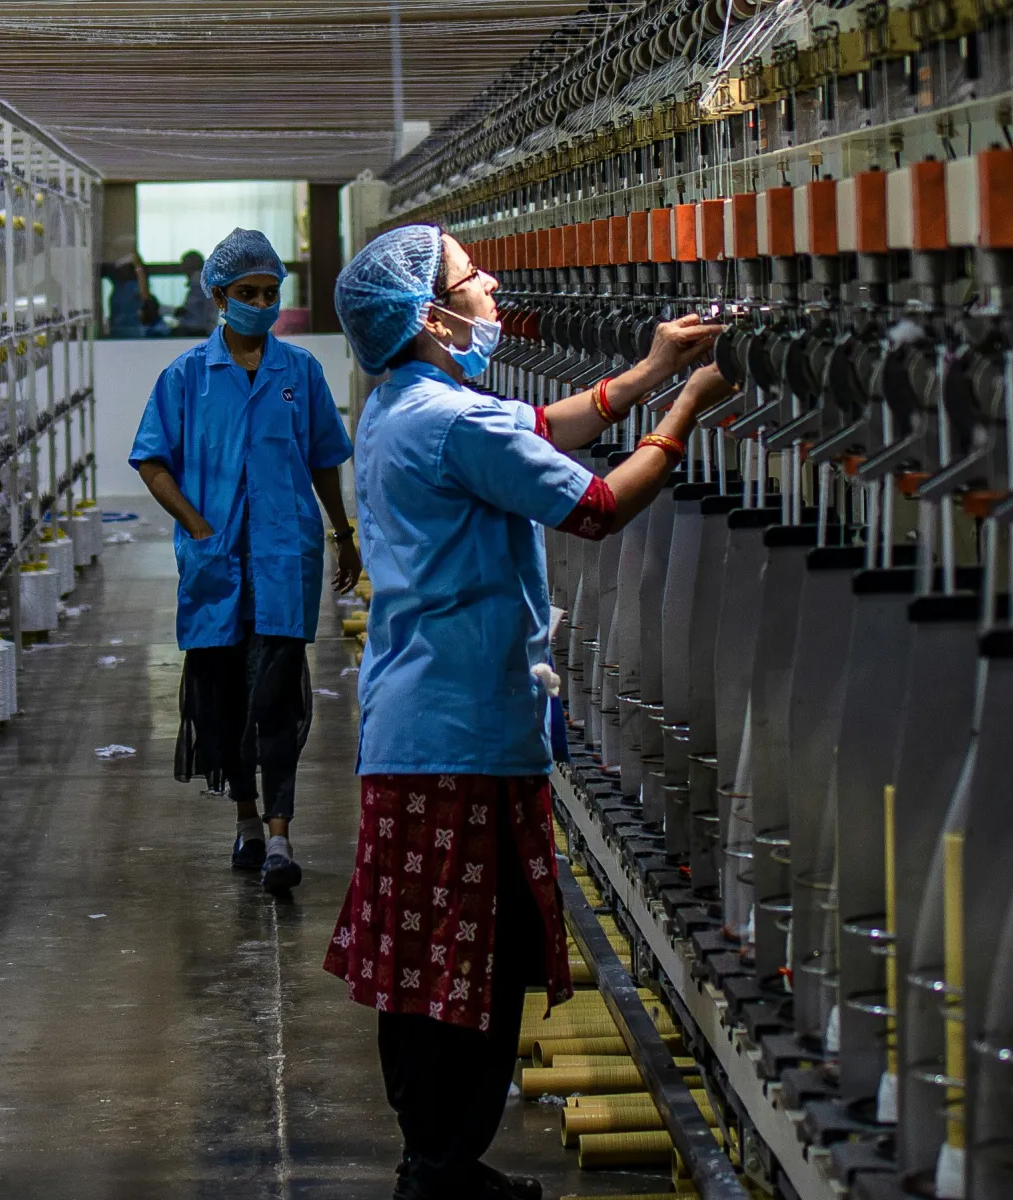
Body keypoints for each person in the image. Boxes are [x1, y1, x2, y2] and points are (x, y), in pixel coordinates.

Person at [323, 224, 731, 1200]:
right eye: (470, 277)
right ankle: (439, 1169)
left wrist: (642, 376)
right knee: (465, 958)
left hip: (426, 722)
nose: (491, 284)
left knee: (437, 950)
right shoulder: (451, 420)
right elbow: (592, 505)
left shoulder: (406, 404)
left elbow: (531, 436)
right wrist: (687, 411)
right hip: (453, 734)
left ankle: (439, 1160)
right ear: (428, 315)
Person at [129, 227, 358, 897]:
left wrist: (343, 532)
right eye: (249, 293)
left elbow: (323, 460)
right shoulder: (186, 378)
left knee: (277, 700)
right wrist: (199, 527)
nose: (262, 303)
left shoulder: (301, 374)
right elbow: (150, 459)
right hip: (215, 566)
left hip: (286, 559)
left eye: (271, 292)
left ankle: (282, 837)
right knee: (223, 703)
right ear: (221, 297)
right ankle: (248, 821)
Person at [172, 249, 216, 335]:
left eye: (184, 264)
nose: (181, 267)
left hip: (196, 332)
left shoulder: (198, 284)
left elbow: (192, 308)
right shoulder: (206, 283)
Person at [106, 257, 147, 337]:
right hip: (116, 332)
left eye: (125, 268)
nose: (122, 271)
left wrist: (139, 268)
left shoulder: (134, 286)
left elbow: (144, 295)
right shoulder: (117, 287)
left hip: (133, 332)